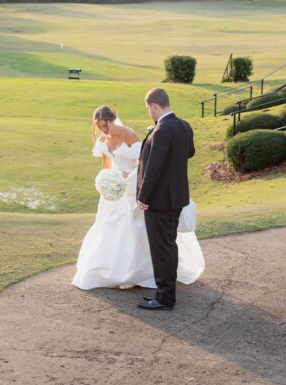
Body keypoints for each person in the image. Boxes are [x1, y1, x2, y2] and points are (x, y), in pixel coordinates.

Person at [72, 104, 204, 292]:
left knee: (136, 228)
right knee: (108, 227)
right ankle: (112, 270)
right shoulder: (103, 139)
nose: (103, 129)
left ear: (112, 119)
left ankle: (140, 273)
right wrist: (106, 181)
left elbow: (144, 161)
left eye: (105, 125)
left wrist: (129, 177)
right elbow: (106, 165)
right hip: (115, 191)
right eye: (100, 126)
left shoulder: (128, 134)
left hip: (133, 185)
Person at [136, 87, 197, 311]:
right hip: (177, 197)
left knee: (161, 247)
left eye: (148, 109)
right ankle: (164, 291)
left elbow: (154, 168)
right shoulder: (184, 125)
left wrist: (143, 197)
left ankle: (164, 298)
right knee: (168, 245)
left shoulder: (162, 130)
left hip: (160, 200)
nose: (149, 114)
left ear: (154, 105)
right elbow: (190, 152)